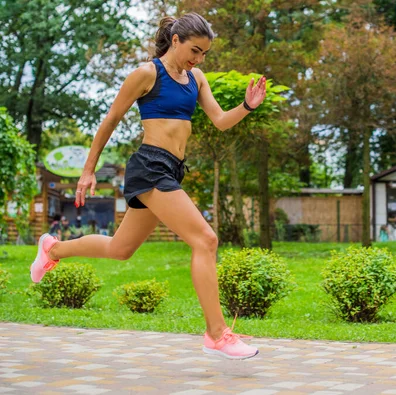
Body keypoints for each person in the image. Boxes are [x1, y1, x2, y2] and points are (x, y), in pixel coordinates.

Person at [29, 13, 266, 360]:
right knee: (206, 239)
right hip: (150, 167)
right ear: (176, 40)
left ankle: (52, 249)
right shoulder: (147, 74)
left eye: (204, 54)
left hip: (172, 169)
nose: (198, 59)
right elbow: (110, 119)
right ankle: (217, 335)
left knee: (120, 249)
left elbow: (219, 120)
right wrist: (88, 170)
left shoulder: (196, 79)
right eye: (195, 50)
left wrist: (247, 106)